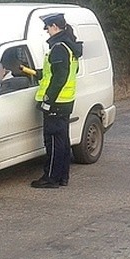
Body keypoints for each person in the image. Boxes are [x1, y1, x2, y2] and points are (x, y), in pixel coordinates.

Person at [31, 13, 83, 188]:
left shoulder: (59, 47)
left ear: (54, 26)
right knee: (62, 140)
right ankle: (62, 177)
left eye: (47, 28)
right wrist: (32, 73)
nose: (46, 32)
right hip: (65, 101)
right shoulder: (69, 46)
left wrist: (48, 100)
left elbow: (59, 78)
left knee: (52, 141)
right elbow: (58, 73)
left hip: (56, 102)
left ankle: (50, 178)